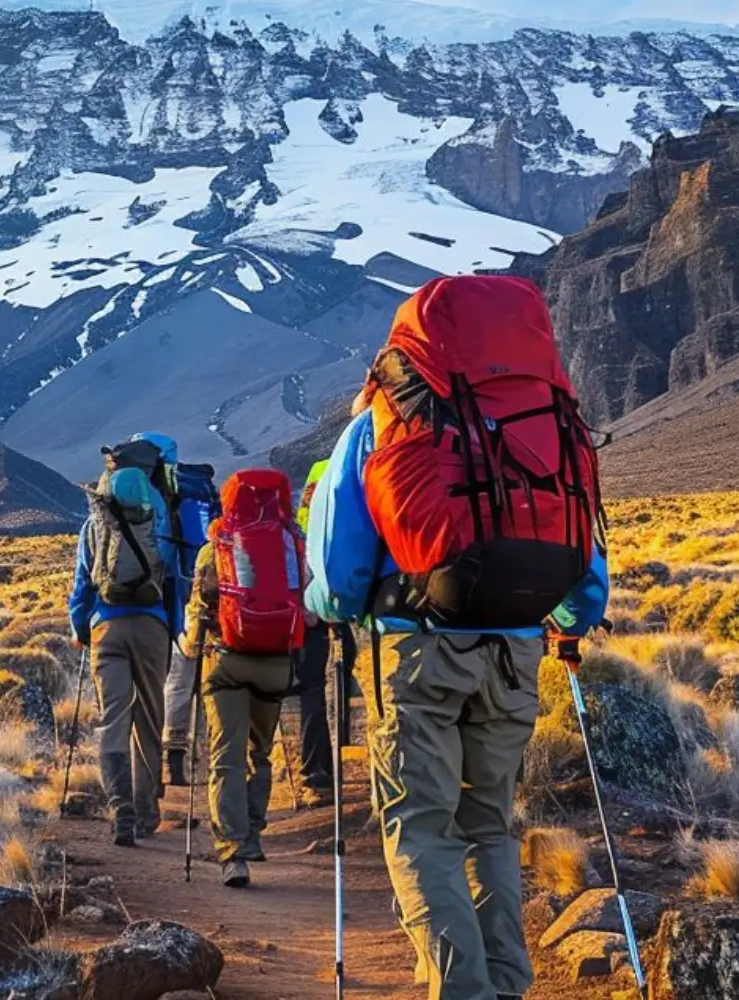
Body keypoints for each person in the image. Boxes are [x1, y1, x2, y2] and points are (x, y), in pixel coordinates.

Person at [306, 275, 609, 1000]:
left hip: (417, 648)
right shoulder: (548, 414)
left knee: (422, 827)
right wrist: (562, 621)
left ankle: (462, 991)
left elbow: (339, 570)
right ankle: (505, 986)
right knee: (490, 825)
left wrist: (332, 610)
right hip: (514, 647)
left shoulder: (382, 419)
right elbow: (585, 570)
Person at [178, 469, 303, 888]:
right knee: (260, 752)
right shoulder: (292, 539)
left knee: (225, 756)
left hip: (227, 660)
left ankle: (232, 851)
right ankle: (252, 834)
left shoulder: (218, 544)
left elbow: (200, 606)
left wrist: (192, 645)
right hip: (275, 660)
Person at [69, 444, 181, 847]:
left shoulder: (94, 527)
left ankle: (121, 811)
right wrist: (176, 630)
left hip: (106, 629)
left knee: (113, 719)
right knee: (150, 720)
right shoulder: (160, 523)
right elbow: (172, 582)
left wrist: (81, 626)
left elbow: (82, 584)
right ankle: (147, 813)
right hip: (152, 626)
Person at [126, 432, 218, 789]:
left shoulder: (145, 499)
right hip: (197, 598)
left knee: (171, 683)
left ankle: (167, 762)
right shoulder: (199, 492)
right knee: (194, 677)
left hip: (156, 604)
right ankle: (197, 762)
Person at [292, 460, 357, 807]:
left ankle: (316, 773)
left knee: (311, 690)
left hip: (308, 606)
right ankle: (328, 765)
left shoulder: (317, 477)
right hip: (342, 598)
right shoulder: (350, 478)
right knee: (332, 684)